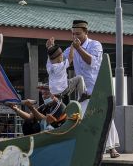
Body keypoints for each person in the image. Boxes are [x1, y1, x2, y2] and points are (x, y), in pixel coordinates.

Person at [47, 19, 120, 158]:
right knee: (80, 119)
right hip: (84, 92)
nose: (75, 37)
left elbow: (92, 62)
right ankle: (83, 149)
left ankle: (111, 149)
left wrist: (78, 48)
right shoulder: (71, 48)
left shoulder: (95, 45)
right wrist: (51, 49)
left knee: (105, 117)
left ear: (86, 32)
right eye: (73, 34)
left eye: (78, 34)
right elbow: (61, 63)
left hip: (98, 89)